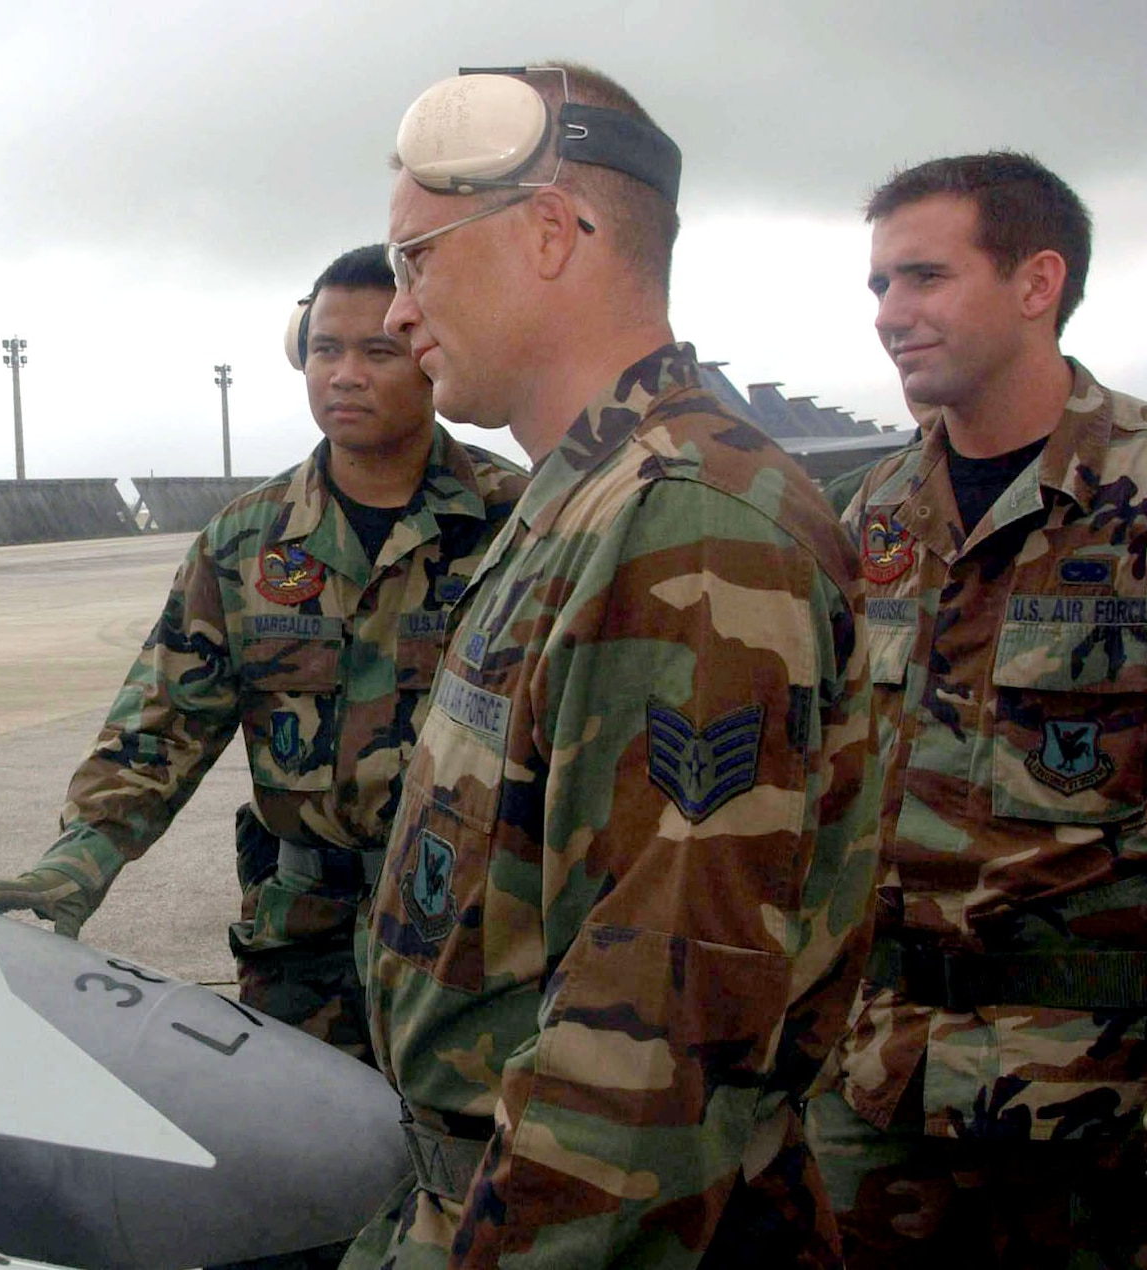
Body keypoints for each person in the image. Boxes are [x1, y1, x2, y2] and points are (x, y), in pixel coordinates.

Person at [351, 64, 878, 1267]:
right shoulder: (585, 503)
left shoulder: (683, 524)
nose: (395, 312)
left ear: (548, 232)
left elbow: (647, 1055)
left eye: (416, 257)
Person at [0, 245, 527, 1065]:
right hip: (303, 944)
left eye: (377, 351)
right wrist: (74, 866)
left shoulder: (522, 522)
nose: (343, 375)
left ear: (430, 355)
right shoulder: (244, 543)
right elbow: (160, 728)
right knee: (315, 1169)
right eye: (324, 351)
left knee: (470, 1175)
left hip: (478, 934)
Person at [807, 152, 1147, 1267]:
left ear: (1034, 280)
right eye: (876, 286)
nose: (890, 315)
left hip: (1094, 1107)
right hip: (876, 1091)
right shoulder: (868, 513)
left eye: (921, 277)